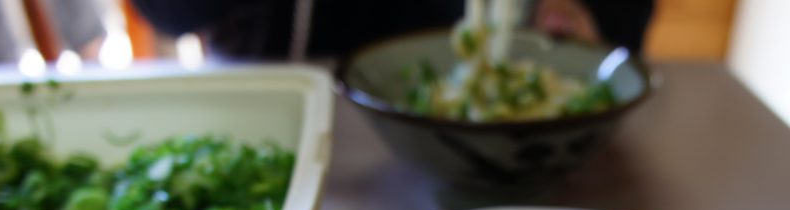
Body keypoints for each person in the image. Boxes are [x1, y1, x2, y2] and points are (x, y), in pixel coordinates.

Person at [130, 0, 654, 61]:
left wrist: (587, 13)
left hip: (523, 137)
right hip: (280, 90)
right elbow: (169, 14)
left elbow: (624, 20)